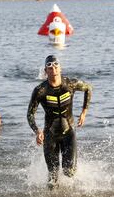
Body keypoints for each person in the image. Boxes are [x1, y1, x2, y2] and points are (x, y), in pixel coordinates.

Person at [27, 55, 92, 189]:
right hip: (50, 135)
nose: (54, 69)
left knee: (69, 172)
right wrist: (37, 131)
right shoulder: (40, 90)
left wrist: (84, 112)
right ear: (46, 71)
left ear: (60, 68)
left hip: (69, 133)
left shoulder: (70, 84)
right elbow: (30, 114)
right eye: (50, 67)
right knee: (53, 178)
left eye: (56, 65)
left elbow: (88, 88)